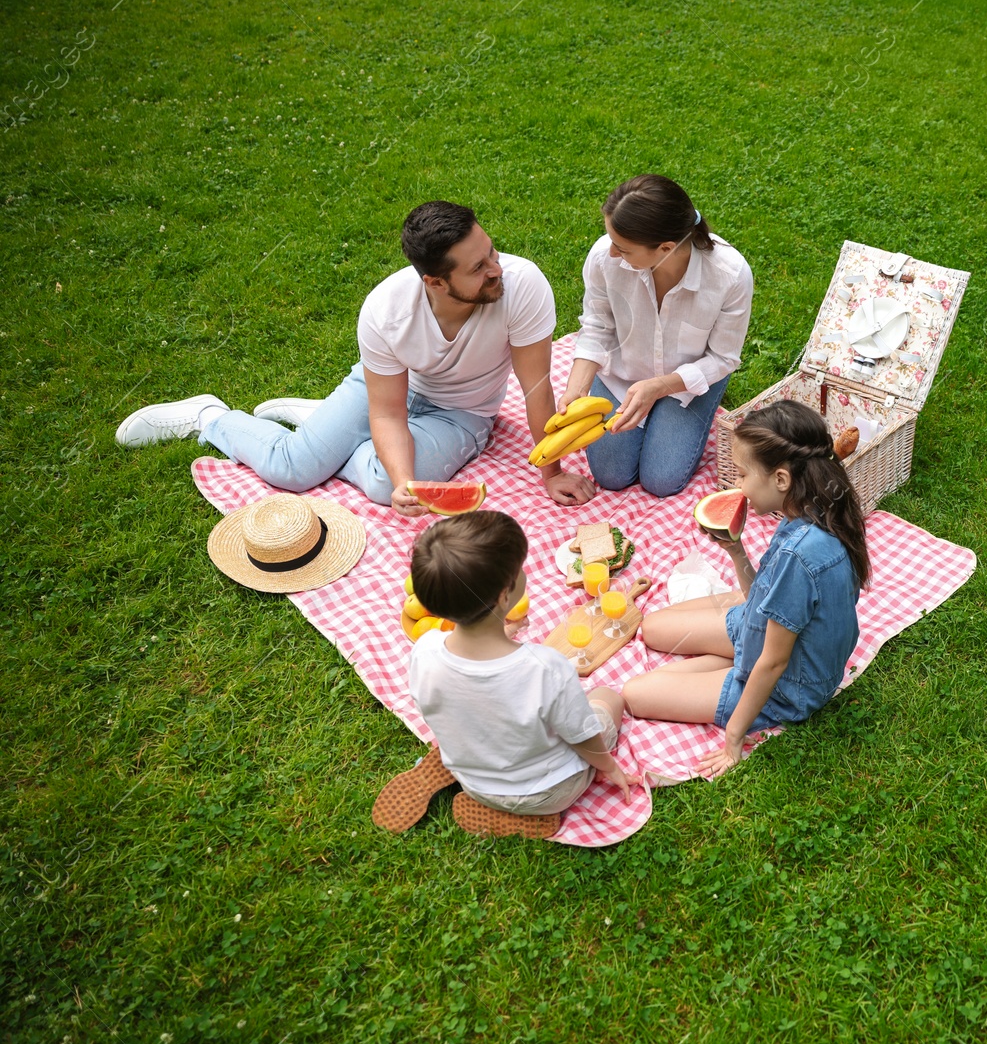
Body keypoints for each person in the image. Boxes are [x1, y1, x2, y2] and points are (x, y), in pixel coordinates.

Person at [116, 201, 596, 511]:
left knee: (380, 483)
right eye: (478, 268)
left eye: (491, 252)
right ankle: (212, 418)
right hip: (383, 394)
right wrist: (405, 476)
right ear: (435, 282)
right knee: (292, 470)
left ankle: (327, 430)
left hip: (461, 413)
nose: (496, 270)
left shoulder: (522, 284)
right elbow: (387, 410)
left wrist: (550, 473)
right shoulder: (385, 311)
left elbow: (536, 387)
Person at [622, 401, 869, 778]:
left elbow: (773, 661)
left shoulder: (799, 555)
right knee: (652, 628)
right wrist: (736, 552)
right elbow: (765, 599)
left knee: (634, 694)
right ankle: (731, 660)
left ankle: (735, 669)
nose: (737, 486)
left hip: (787, 684)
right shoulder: (814, 511)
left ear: (781, 479)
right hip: (757, 629)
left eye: (741, 475)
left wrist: (734, 736)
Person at [407, 510, 639, 829]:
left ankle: (485, 798)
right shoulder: (547, 668)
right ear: (505, 596)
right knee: (607, 697)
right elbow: (584, 737)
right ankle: (529, 816)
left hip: (475, 780)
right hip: (551, 792)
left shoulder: (425, 649)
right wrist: (609, 767)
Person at [557, 174, 753, 497]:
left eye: (623, 249)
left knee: (661, 480)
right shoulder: (604, 257)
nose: (613, 253)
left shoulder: (730, 276)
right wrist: (575, 391)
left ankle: (677, 414)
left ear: (665, 248)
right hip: (623, 375)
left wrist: (660, 387)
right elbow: (597, 328)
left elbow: (722, 358)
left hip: (688, 383)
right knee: (611, 475)